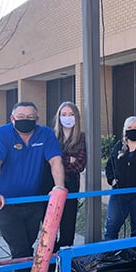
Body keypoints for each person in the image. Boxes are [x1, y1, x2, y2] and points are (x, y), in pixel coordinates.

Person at [0, 101, 65, 272]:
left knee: (25, 249)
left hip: (33, 202)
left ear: (37, 119)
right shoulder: (0, 134)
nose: (26, 120)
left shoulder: (45, 134)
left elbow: (55, 161)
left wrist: (58, 186)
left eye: (31, 118)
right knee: (21, 250)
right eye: (21, 117)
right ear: (12, 118)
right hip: (6, 204)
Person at [52, 101, 86, 251]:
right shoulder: (52, 137)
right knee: (51, 224)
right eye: (64, 114)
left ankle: (65, 257)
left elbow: (79, 165)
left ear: (77, 117)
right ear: (58, 117)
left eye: (71, 114)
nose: (67, 118)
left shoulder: (82, 138)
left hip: (71, 185)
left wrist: (58, 160)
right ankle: (50, 258)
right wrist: (67, 159)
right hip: (51, 184)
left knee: (68, 223)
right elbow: (47, 162)